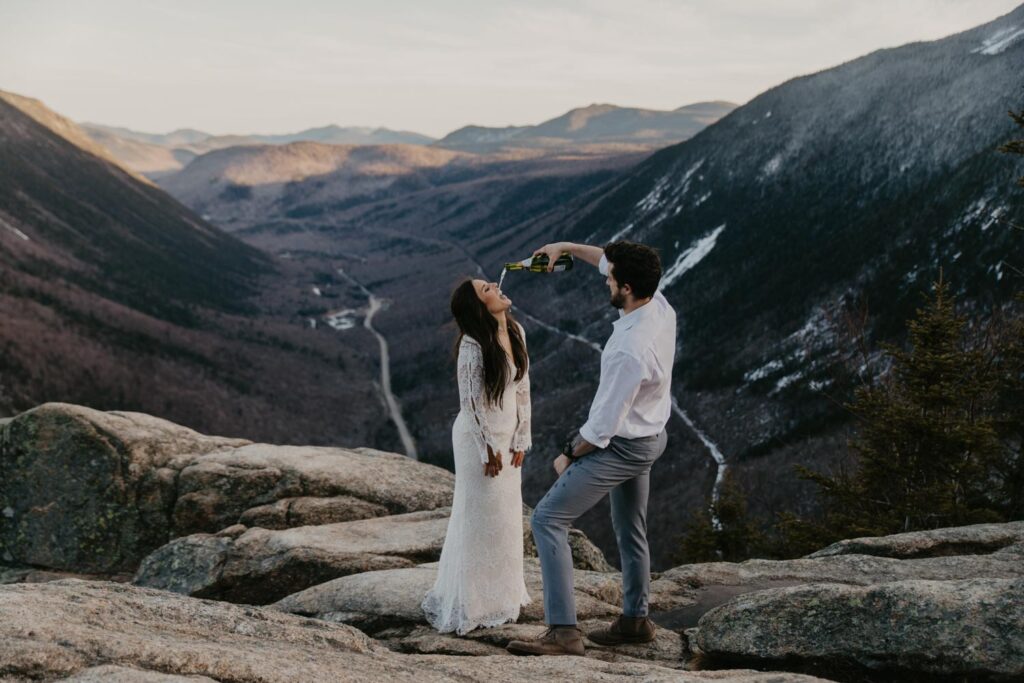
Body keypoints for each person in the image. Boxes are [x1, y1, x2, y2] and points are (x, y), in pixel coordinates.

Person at [507, 240, 675, 656]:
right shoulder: (659, 305)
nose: (606, 282)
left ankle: (563, 632)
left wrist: (569, 452)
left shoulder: (627, 350)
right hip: (652, 437)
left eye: (611, 280)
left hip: (622, 447)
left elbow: (601, 428)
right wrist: (563, 247)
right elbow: (604, 259)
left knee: (547, 520)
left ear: (628, 288)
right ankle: (635, 620)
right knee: (631, 529)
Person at [421, 278, 533, 635]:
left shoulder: (517, 331)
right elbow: (469, 403)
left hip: (507, 435)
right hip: (477, 441)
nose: (497, 287)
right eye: (487, 290)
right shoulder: (472, 345)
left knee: (506, 518)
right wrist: (487, 448)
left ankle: (502, 598)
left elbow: (523, 387)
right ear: (479, 307)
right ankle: (473, 604)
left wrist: (522, 435)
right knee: (479, 517)